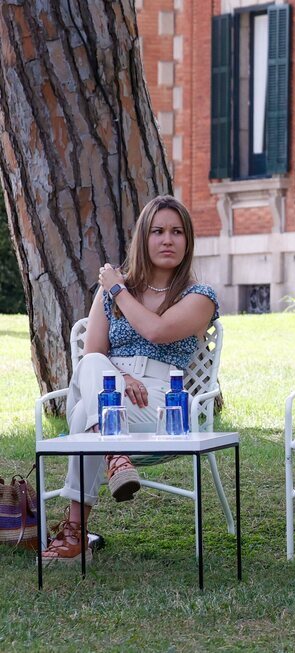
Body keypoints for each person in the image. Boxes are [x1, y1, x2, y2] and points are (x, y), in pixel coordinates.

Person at [43, 195, 219, 562]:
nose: (167, 240)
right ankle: (116, 454)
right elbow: (92, 355)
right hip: (107, 385)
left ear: (187, 241)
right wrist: (119, 377)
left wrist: (118, 290)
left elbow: (156, 331)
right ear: (143, 238)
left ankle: (75, 533)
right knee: (93, 372)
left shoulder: (199, 297)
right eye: (157, 231)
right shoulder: (107, 294)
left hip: (161, 403)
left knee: (83, 420)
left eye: (176, 232)